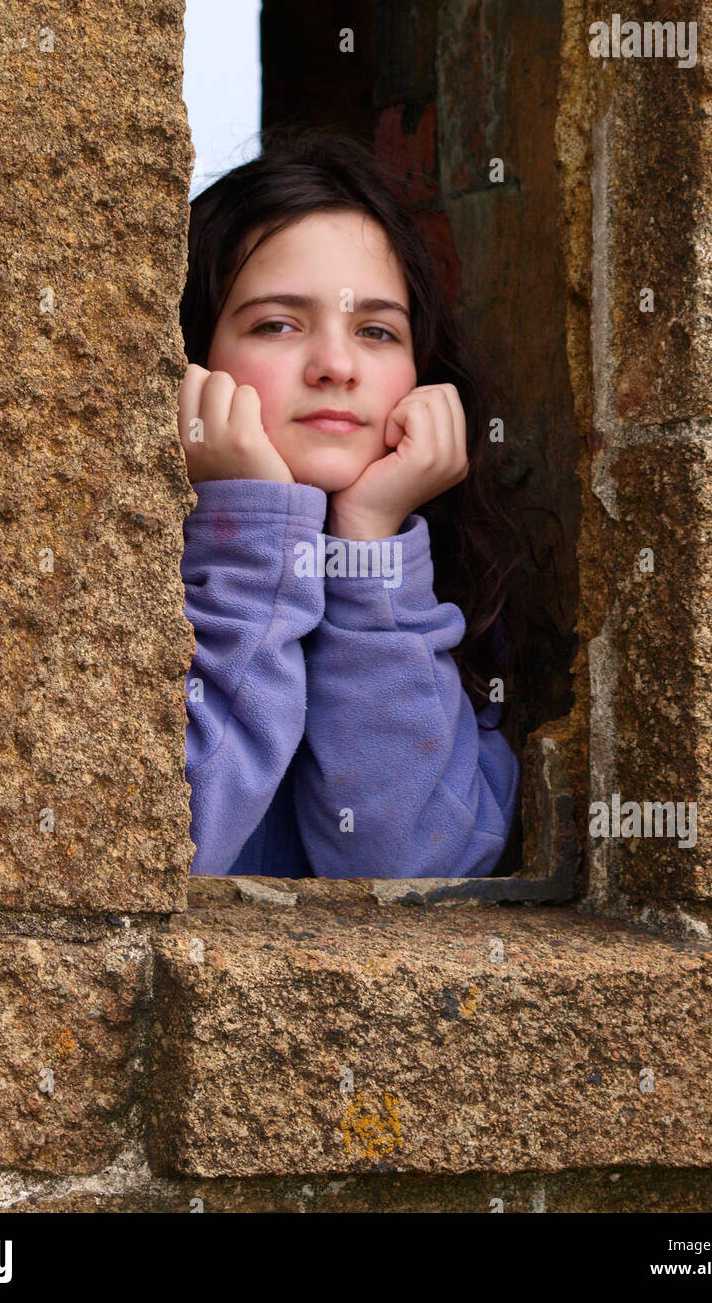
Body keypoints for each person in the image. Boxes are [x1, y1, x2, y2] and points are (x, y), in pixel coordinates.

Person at [177, 127, 527, 878]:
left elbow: (408, 875)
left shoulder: (458, 599)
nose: (336, 365)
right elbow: (166, 849)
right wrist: (254, 539)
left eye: (376, 331)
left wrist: (368, 549)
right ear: (193, 363)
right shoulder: (109, 584)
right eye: (277, 324)